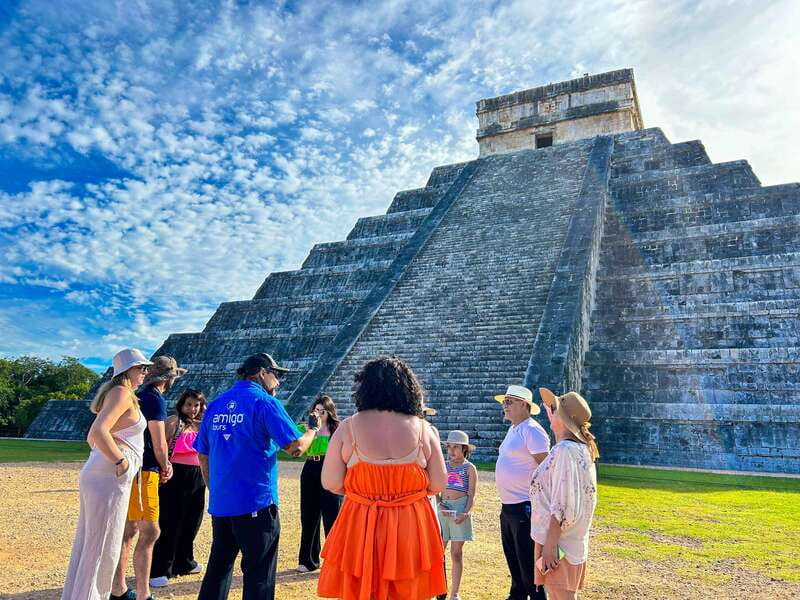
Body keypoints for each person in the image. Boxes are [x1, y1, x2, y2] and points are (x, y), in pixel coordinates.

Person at [317, 356, 448, 600]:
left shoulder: (348, 427)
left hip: (361, 520)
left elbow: (331, 482)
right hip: (411, 523)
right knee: (409, 590)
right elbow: (439, 483)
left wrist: (363, 491)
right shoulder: (424, 429)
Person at [194, 353, 317, 600]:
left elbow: (203, 455)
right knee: (259, 574)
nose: (278, 381)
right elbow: (295, 448)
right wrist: (312, 429)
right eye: (276, 374)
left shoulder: (216, 404)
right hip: (256, 502)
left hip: (222, 503)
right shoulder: (265, 403)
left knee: (218, 570)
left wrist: (215, 489)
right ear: (262, 372)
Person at [62, 348, 152, 600]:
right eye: (141, 368)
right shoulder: (121, 392)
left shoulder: (120, 393)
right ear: (127, 370)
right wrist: (121, 461)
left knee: (95, 542)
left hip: (104, 472)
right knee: (102, 545)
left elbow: (95, 437)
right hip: (110, 475)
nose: (145, 372)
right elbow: (97, 432)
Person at [111, 356, 186, 600]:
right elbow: (159, 442)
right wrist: (166, 465)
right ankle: (142, 593)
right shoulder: (155, 399)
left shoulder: (139, 395)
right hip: (145, 470)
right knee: (150, 530)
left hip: (135, 468)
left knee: (130, 528)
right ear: (168, 378)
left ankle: (118, 588)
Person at [531, 389, 599, 600]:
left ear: (562, 417)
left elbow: (561, 505)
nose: (549, 412)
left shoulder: (564, 451)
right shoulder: (579, 449)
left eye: (554, 409)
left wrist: (550, 546)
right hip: (570, 540)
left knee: (560, 595)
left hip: (558, 541)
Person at [494, 384, 550, 600]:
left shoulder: (532, 430)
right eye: (504, 402)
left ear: (525, 405)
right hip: (509, 506)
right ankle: (516, 595)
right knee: (515, 563)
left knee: (528, 567)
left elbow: (547, 470)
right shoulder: (514, 429)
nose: (505, 405)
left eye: (510, 402)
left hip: (524, 506)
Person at [149, 388, 208, 587]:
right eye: (189, 404)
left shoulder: (202, 425)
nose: (193, 409)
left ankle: (184, 562)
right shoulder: (173, 422)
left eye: (197, 405)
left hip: (198, 475)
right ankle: (159, 569)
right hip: (176, 475)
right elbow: (158, 445)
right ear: (181, 405)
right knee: (170, 523)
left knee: (192, 521)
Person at [296, 395, 342, 573]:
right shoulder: (305, 429)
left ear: (329, 412)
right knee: (309, 515)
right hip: (310, 468)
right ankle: (308, 560)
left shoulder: (337, 429)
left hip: (330, 468)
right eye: (316, 411)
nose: (319, 415)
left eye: (322, 412)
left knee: (332, 515)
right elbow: (295, 444)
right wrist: (311, 429)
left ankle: (335, 561)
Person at [437, 430, 478, 600]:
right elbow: (437, 489)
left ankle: (455, 592)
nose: (452, 451)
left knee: (456, 552)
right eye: (449, 447)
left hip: (460, 510)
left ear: (464, 449)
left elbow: (472, 494)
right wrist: (439, 503)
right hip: (444, 510)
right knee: (438, 551)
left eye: (456, 447)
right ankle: (439, 589)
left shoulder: (469, 468)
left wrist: (465, 513)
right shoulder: (444, 465)